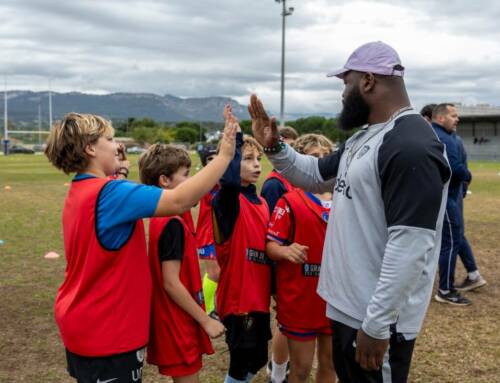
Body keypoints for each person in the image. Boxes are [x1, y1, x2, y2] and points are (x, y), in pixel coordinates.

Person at [249, 41, 450, 382]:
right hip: (346, 308)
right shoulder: (367, 138)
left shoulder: (411, 146)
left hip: (375, 321)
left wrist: (376, 324)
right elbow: (314, 175)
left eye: (346, 82)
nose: (343, 93)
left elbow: (411, 245)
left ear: (368, 81)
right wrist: (273, 146)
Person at [44, 112, 235, 383]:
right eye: (110, 139)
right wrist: (225, 156)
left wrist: (116, 161)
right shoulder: (110, 193)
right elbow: (180, 200)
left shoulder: (82, 190)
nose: (117, 145)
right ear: (90, 148)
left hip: (84, 322)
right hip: (107, 331)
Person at [138, 144, 225, 382]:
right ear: (165, 180)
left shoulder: (170, 216)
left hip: (176, 318)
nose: (192, 181)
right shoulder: (172, 223)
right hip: (176, 321)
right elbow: (170, 282)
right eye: (186, 176)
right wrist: (205, 319)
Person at [267, 133, 336, 383]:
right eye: (314, 157)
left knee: (330, 365)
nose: (322, 162)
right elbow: (271, 245)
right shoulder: (289, 201)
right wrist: (285, 251)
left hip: (336, 297)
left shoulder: (345, 200)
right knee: (301, 368)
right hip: (301, 298)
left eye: (327, 157)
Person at [212, 109, 272, 383]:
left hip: (258, 296)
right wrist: (234, 141)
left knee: (258, 358)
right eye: (248, 159)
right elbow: (229, 183)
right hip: (238, 299)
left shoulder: (262, 204)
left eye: (258, 158)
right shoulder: (228, 202)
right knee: (241, 361)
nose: (257, 164)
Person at [261, 125, 298, 383]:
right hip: (280, 261)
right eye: (288, 145)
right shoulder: (274, 184)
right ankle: (277, 370)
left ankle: (280, 365)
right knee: (283, 318)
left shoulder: (293, 180)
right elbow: (272, 231)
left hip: (294, 259)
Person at [431, 103, 474, 305]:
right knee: (451, 241)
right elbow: (455, 168)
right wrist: (468, 175)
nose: (457, 119)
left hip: (445, 196)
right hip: (445, 197)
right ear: (441, 118)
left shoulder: (438, 134)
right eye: (454, 115)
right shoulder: (445, 138)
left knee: (449, 240)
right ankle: (445, 289)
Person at [453, 131, 487, 291]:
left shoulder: (449, 139)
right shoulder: (456, 139)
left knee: (454, 233)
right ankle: (473, 274)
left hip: (450, 193)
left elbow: (459, 167)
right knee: (455, 233)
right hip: (457, 191)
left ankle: (472, 274)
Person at [196, 143, 220, 316]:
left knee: (220, 272)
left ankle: (212, 306)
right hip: (207, 234)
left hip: (219, 234)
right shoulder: (206, 181)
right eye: (209, 159)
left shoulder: (222, 180)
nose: (213, 162)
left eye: (216, 158)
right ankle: (207, 308)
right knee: (214, 273)